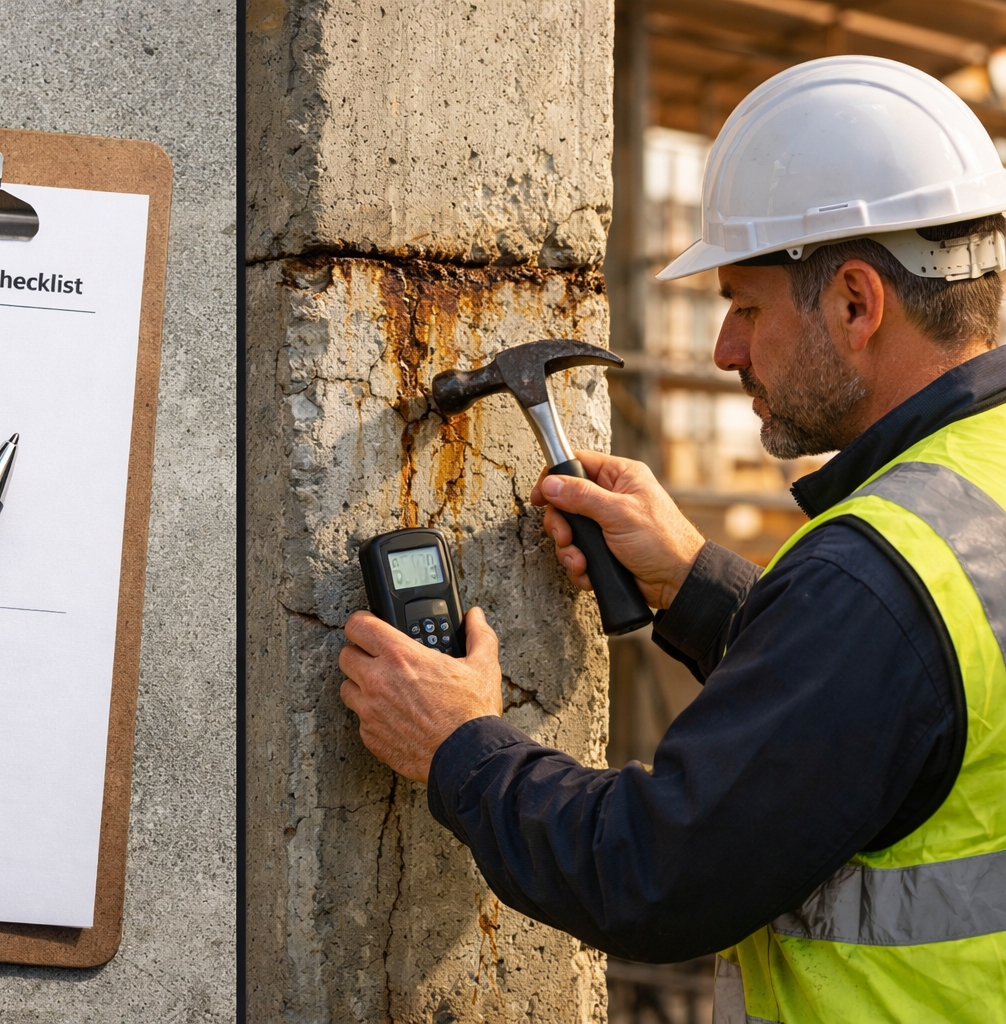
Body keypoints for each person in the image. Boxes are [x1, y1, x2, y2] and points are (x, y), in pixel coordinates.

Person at [337, 56, 1006, 1023]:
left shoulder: (872, 582)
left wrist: (459, 748)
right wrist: (697, 584)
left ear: (857, 303)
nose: (725, 350)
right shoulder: (969, 496)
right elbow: (912, 709)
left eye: (744, 306)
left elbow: (657, 873)